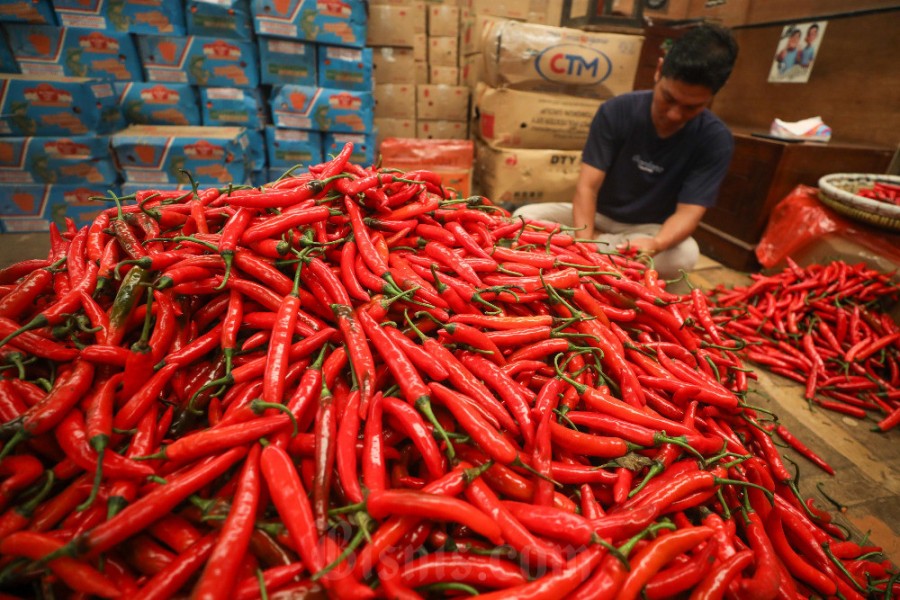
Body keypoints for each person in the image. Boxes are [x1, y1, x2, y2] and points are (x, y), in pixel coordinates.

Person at [512, 23, 739, 280]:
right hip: (596, 215)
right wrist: (586, 244)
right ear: (659, 70)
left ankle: (598, 249)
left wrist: (656, 244)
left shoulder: (715, 139)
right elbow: (587, 188)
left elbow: (689, 212)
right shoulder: (616, 111)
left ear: (712, 97)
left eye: (691, 107)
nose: (675, 114)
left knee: (684, 256)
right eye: (669, 98)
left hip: (646, 230)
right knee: (523, 218)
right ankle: (606, 252)